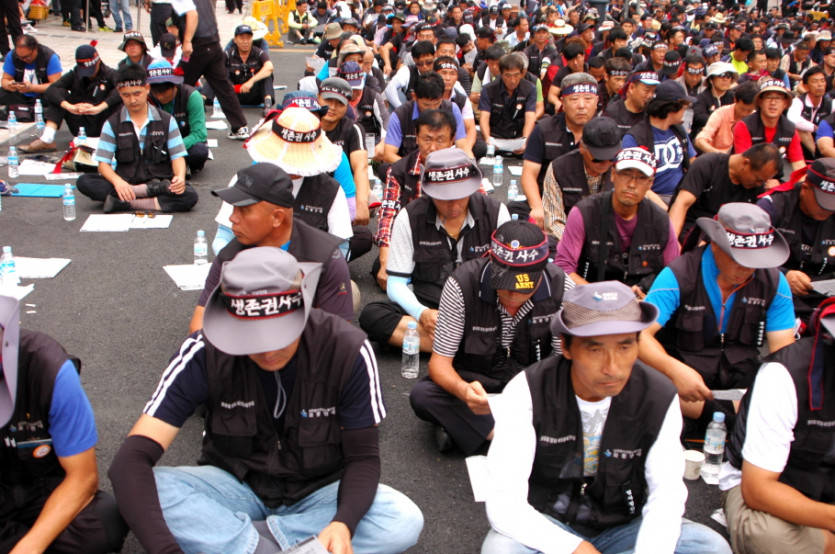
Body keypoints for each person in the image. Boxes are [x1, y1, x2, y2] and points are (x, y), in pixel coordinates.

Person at [108, 247, 424, 554]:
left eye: (280, 333)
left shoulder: (347, 349)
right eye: (252, 336)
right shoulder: (204, 351)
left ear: (304, 310)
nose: (269, 351)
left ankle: (236, 539)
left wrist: (343, 523)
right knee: (149, 487)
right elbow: (129, 462)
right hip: (234, 485)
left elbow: (363, 459)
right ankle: (283, 546)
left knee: (401, 518)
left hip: (320, 491)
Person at [481, 281, 732, 554]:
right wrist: (574, 548)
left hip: (626, 524)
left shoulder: (658, 396)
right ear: (566, 346)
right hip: (550, 520)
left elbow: (666, 495)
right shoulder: (528, 390)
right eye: (595, 349)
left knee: (710, 547)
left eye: (624, 347)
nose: (612, 367)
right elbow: (504, 503)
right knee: (501, 549)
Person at [410, 220, 571, 454]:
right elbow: (439, 364)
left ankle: (478, 432)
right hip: (477, 387)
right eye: (504, 283)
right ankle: (530, 435)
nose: (512, 294)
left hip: (533, 390)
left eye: (523, 286)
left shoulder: (562, 288)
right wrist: (463, 390)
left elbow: (564, 367)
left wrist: (539, 398)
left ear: (542, 271)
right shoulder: (462, 283)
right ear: (491, 260)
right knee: (423, 395)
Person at [639, 203, 796, 430]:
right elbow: (641, 335)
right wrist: (673, 369)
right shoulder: (679, 275)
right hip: (684, 387)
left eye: (753, 260)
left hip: (741, 383)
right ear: (714, 244)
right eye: (737, 258)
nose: (746, 268)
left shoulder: (775, 284)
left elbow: (784, 355)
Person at [0, 295, 129, 553]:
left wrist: (30, 548)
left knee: (105, 522)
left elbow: (83, 477)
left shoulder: (47, 368)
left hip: (43, 488)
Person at [359, 147, 510, 351]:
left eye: (461, 195)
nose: (453, 205)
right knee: (373, 316)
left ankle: (451, 343)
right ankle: (473, 345)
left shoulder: (496, 213)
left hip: (481, 306)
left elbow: (509, 278)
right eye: (443, 198)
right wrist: (422, 313)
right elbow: (395, 284)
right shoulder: (409, 217)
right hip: (430, 305)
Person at [720, 298, 835, 554]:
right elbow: (758, 490)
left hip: (826, 489)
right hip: (772, 488)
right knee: (768, 536)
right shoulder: (784, 374)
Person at [189, 163, 355, 333]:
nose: (232, 218)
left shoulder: (324, 257)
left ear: (277, 217)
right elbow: (199, 326)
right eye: (234, 208)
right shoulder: (230, 255)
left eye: (243, 210)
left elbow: (335, 336)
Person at [556, 147, 679, 296]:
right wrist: (601, 297)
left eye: (641, 178)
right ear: (613, 175)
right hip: (590, 297)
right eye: (626, 175)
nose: (632, 184)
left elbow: (674, 273)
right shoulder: (584, 213)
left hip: (643, 300)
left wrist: (652, 298)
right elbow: (563, 267)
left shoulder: (661, 220)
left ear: (650, 183)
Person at [76, 65, 197, 214]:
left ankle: (125, 203)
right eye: (126, 95)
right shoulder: (112, 124)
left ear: (147, 88)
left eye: (137, 93)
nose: (132, 100)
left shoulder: (167, 121)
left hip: (159, 181)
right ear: (119, 93)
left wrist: (179, 178)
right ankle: (145, 196)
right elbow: (103, 164)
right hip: (126, 182)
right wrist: (118, 182)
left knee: (189, 195)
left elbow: (178, 156)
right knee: (85, 182)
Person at [374, 109, 455, 290]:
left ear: (452, 140)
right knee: (382, 268)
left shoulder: (464, 168)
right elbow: (388, 214)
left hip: (452, 242)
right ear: (416, 138)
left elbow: (481, 205)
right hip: (413, 241)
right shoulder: (399, 169)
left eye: (440, 140)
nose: (432, 147)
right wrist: (385, 259)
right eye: (427, 139)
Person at [758, 158, 835, 324]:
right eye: (823, 203)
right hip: (775, 289)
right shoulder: (772, 206)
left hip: (825, 293)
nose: (828, 210)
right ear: (805, 188)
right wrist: (782, 275)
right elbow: (748, 255)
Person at [520, 72, 598, 226]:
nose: (581, 105)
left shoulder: (605, 132)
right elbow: (529, 174)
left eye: (588, 99)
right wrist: (537, 207)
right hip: (547, 199)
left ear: (597, 101)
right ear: (563, 102)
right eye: (574, 99)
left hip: (590, 205)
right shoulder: (544, 129)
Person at [668, 143, 782, 240]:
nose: (759, 184)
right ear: (745, 163)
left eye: (763, 181)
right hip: (693, 230)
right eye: (758, 179)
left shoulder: (758, 186)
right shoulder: (708, 165)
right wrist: (672, 244)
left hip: (728, 238)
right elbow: (681, 204)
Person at [19, 44, 119, 154]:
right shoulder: (75, 74)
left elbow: (122, 90)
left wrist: (99, 107)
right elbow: (52, 89)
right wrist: (69, 106)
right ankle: (47, 139)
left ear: (98, 61)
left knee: (121, 96)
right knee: (59, 93)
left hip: (101, 123)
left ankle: (117, 138)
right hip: (79, 121)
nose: (88, 75)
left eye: (91, 70)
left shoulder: (110, 74)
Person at [176, 0, 250, 140]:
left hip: (197, 44)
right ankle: (240, 126)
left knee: (179, 86)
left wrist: (186, 41)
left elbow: (192, 15)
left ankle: (172, 124)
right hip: (213, 42)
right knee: (223, 87)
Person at [541, 116, 620, 241]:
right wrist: (579, 243)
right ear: (582, 147)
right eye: (598, 158)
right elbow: (553, 223)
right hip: (570, 238)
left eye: (610, 158)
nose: (605, 163)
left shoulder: (625, 170)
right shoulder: (559, 168)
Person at [622, 80, 698, 205]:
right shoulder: (634, 138)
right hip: (650, 200)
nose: (685, 110)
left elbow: (693, 162)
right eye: (684, 106)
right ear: (671, 109)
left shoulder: (679, 130)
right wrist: (667, 211)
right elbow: (633, 182)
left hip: (682, 194)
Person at [383, 72, 469, 164]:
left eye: (437, 104)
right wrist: (415, 168)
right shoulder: (401, 115)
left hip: (444, 165)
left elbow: (463, 147)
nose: (432, 109)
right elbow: (388, 155)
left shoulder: (452, 109)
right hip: (410, 167)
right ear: (414, 97)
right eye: (426, 105)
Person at [733, 78, 806, 181]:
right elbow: (743, 164)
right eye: (768, 97)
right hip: (745, 178)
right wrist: (766, 183)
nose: (773, 102)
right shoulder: (744, 126)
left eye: (778, 98)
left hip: (775, 180)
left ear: (785, 103)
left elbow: (799, 165)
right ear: (760, 102)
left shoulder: (790, 129)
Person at [146, 59, 209, 174]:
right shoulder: (148, 98)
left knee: (200, 151)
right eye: (156, 92)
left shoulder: (191, 96)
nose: (160, 96)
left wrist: (173, 147)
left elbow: (200, 133)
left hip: (184, 143)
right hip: (158, 145)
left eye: (164, 91)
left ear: (174, 85)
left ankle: (167, 167)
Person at [479, 52, 537, 153]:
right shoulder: (489, 90)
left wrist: (525, 140)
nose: (512, 80)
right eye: (508, 75)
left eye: (516, 75)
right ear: (501, 74)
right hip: (495, 136)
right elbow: (484, 117)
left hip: (518, 135)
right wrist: (488, 139)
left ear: (522, 73)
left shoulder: (530, 89)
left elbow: (530, 117)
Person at [694, 80, 758, 154]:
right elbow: (700, 140)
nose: (745, 114)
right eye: (742, 109)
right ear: (735, 100)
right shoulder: (721, 113)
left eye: (749, 110)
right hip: (717, 157)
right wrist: (717, 153)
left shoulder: (756, 118)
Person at [224, 24, 275, 114]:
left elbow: (269, 67)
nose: (245, 42)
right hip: (234, 93)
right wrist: (229, 85)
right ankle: (203, 99)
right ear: (235, 40)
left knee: (267, 74)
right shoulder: (228, 54)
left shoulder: (259, 52)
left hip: (254, 94)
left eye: (248, 38)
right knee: (216, 72)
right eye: (242, 38)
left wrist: (251, 82)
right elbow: (216, 70)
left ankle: (267, 105)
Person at [0, 36, 62, 109]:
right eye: (20, 57)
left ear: (35, 49)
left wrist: (32, 88)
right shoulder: (12, 55)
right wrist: (9, 85)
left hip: (42, 95)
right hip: (20, 94)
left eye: (27, 56)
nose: (24, 59)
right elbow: (5, 79)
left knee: (59, 94)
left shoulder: (49, 57)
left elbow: (56, 85)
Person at [601, 70, 659, 137]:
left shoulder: (652, 115)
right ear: (631, 88)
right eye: (647, 90)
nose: (650, 96)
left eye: (653, 91)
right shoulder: (611, 115)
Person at [691, 61, 736, 140]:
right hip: (703, 138)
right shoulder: (701, 98)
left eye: (728, 76)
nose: (725, 79)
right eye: (721, 75)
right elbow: (699, 117)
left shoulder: (734, 98)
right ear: (711, 79)